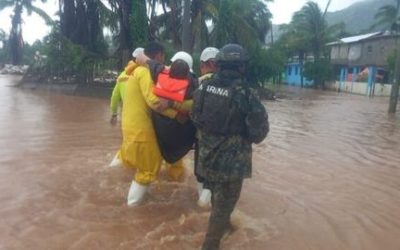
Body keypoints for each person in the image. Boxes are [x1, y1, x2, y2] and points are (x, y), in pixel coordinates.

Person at [191, 44, 269, 250]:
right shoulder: (246, 94)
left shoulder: (204, 87)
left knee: (220, 202)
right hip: (231, 164)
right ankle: (211, 244)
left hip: (206, 159)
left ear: (219, 64)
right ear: (241, 66)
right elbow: (259, 133)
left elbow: (195, 118)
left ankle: (225, 227)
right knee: (224, 206)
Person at [120, 42, 190, 206]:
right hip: (141, 131)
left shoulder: (135, 72)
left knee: (147, 166)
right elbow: (154, 102)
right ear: (159, 55)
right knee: (147, 170)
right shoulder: (144, 72)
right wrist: (177, 113)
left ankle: (138, 202)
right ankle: (131, 209)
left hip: (133, 129)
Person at [109, 47, 144, 167]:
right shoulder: (144, 73)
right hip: (142, 115)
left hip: (126, 116)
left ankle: (117, 165)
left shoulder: (122, 75)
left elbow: (114, 97)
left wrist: (114, 114)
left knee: (127, 142)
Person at [196, 47, 219, 208]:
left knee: (201, 174)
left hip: (203, 139)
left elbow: (193, 111)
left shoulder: (199, 84)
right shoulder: (235, 85)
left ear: (207, 64)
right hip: (225, 144)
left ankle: (202, 204)